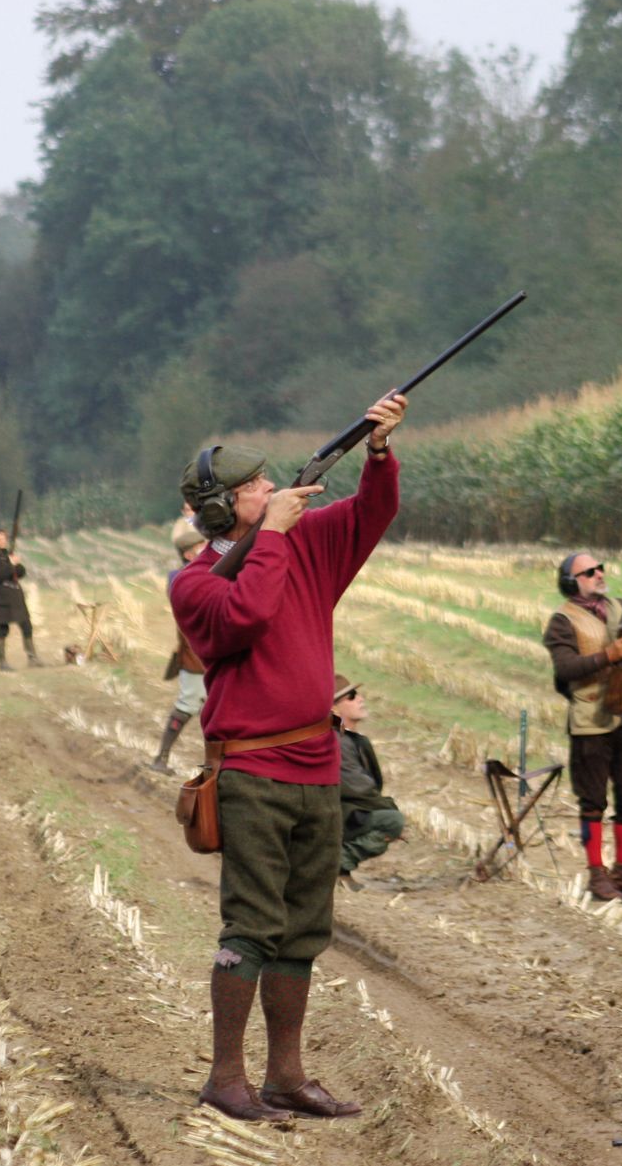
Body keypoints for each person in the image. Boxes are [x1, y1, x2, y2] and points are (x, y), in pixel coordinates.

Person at [171, 393, 407, 1123]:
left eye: (270, 483)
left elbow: (373, 514)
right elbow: (249, 616)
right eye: (256, 489)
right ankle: (226, 1077)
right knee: (250, 925)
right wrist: (272, 535)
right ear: (222, 510)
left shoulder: (296, 543)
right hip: (250, 772)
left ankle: (287, 1075)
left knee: (303, 927)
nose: (273, 492)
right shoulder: (196, 582)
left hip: (316, 768)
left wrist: (377, 450)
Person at [542, 551, 622, 900]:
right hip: (590, 722)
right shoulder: (561, 621)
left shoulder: (619, 607)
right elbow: (565, 669)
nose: (599, 573)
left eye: (600, 567)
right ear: (573, 582)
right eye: (589, 571)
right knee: (592, 801)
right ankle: (598, 875)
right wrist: (608, 656)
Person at [149, 521, 209, 773]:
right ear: (188, 554)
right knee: (188, 704)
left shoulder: (208, 570)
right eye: (200, 547)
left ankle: (216, 764)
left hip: (211, 652)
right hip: (195, 653)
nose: (206, 549)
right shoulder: (179, 578)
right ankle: (161, 758)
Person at [333, 677, 405, 886]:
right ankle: (339, 862)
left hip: (345, 811)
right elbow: (360, 788)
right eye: (352, 697)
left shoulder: (348, 739)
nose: (361, 699)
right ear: (335, 709)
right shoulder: (339, 741)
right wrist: (389, 807)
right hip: (340, 814)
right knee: (393, 821)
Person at [0, 528, 41, 670]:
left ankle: (32, 658)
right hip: (2, 596)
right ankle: (2, 662)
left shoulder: (7, 554)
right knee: (3, 628)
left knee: (26, 625)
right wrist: (10, 563)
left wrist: (15, 563)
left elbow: (21, 572)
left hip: (16, 595)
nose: (2, 541)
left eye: (4, 539)